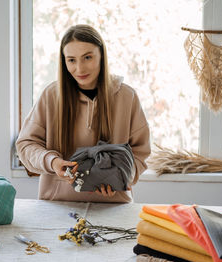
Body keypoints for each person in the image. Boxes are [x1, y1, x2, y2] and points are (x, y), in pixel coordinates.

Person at [16, 24, 150, 202]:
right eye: (71, 60)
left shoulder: (127, 96)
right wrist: (52, 162)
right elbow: (26, 145)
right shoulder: (51, 95)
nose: (79, 69)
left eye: (87, 57)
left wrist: (122, 178)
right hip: (57, 205)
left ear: (101, 55)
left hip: (113, 205)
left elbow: (140, 152)